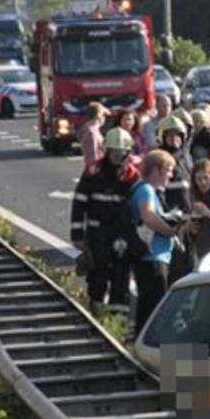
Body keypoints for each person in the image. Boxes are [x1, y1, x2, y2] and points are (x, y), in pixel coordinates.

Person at [70, 127, 137, 313]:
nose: (117, 156)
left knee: (121, 278)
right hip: (97, 234)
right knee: (98, 276)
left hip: (122, 235)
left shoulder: (132, 176)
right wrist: (77, 235)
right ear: (107, 151)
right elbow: (79, 202)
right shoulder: (93, 173)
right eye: (114, 152)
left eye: (121, 152)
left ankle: (118, 319)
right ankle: (95, 311)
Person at [130, 150, 182, 335]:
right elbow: (149, 216)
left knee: (148, 309)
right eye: (168, 170)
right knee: (156, 310)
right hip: (152, 257)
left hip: (156, 257)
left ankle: (143, 350)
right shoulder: (146, 190)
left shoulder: (151, 191)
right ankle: (161, 357)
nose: (171, 175)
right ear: (156, 170)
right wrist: (170, 231)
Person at [156, 115, 195, 283]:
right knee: (172, 273)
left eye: (178, 135)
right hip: (170, 227)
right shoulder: (159, 160)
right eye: (170, 136)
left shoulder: (185, 158)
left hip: (188, 226)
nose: (174, 140)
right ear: (162, 137)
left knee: (189, 268)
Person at [79, 102, 110, 176]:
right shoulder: (91, 133)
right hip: (95, 171)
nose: (104, 118)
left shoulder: (91, 130)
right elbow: (92, 156)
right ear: (98, 116)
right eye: (104, 115)